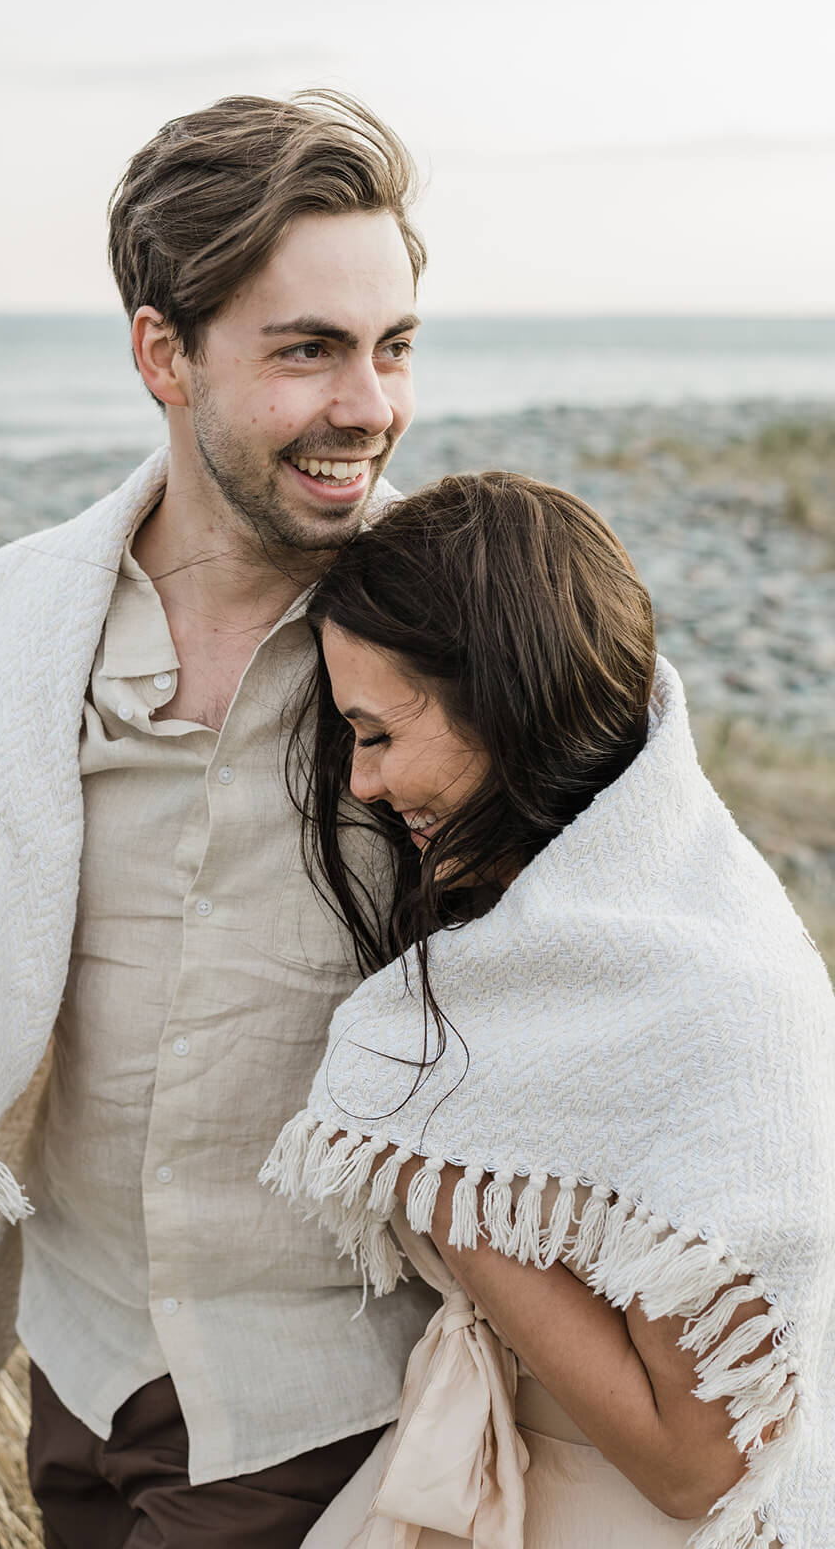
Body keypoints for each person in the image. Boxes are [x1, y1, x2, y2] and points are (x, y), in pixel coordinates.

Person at [0, 92, 439, 1548]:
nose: (371, 406)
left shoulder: (465, 619)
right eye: (309, 350)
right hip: (80, 1368)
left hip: (331, 1397)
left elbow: (656, 950)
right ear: (163, 353)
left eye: (392, 347)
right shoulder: (27, 610)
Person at [263, 471, 835, 1548]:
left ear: (504, 705)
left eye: (377, 733)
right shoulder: (530, 947)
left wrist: (436, 1155)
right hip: (481, 1468)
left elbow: (697, 1463)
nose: (360, 785)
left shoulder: (711, 1001)